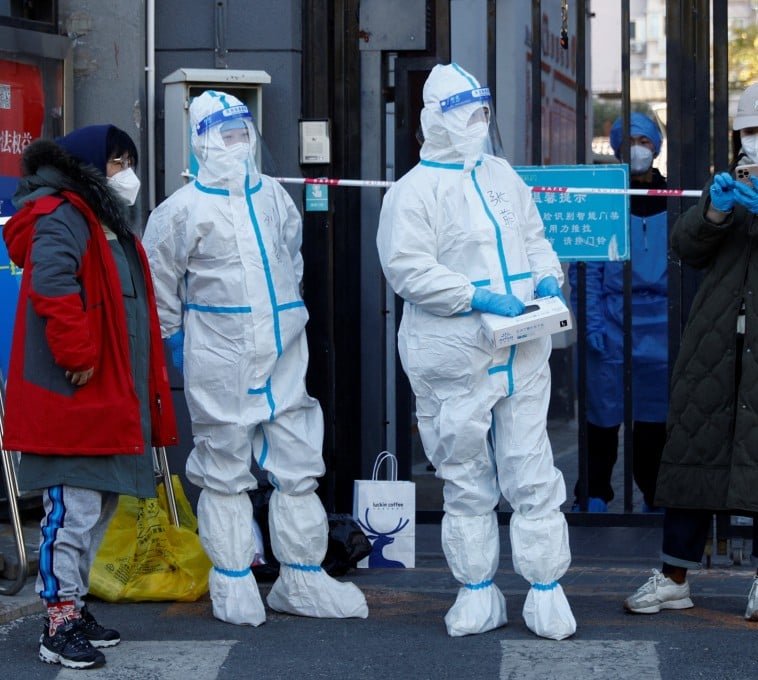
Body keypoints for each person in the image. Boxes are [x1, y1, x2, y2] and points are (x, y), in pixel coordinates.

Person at [142, 90, 368, 626]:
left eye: (245, 133)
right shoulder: (179, 212)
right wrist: (174, 339)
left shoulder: (271, 195)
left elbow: (290, 255)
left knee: (297, 463)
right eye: (228, 135)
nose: (239, 144)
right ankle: (234, 579)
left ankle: (303, 578)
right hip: (220, 354)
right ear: (201, 140)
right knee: (224, 468)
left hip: (285, 348)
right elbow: (160, 286)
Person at [624, 80, 758, 622]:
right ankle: (674, 576)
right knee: (695, 452)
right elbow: (685, 249)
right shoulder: (724, 181)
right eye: (748, 131)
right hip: (717, 340)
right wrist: (715, 212)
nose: (756, 139)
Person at [376, 63, 575, 640]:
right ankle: (476, 591)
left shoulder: (501, 176)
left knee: (532, 468)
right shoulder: (412, 193)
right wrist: (474, 296)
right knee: (465, 476)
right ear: (435, 120)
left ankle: (545, 590)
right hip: (454, 354)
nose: (477, 124)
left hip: (522, 348)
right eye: (466, 114)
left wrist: (545, 279)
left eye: (482, 113)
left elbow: (534, 237)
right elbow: (408, 269)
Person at [2, 124, 178, 669]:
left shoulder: (102, 222)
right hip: (74, 392)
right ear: (88, 166)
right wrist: (78, 356)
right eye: (117, 161)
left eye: (128, 160)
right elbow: (53, 287)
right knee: (71, 510)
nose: (126, 173)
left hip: (107, 394)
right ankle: (56, 622)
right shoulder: (63, 217)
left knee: (96, 504)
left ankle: (73, 609)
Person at [568, 111, 669, 513]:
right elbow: (588, 269)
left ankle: (656, 493)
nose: (638, 150)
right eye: (630, 143)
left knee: (654, 423)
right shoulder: (605, 197)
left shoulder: (674, 198)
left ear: (656, 148)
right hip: (611, 325)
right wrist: (590, 321)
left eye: (645, 142)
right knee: (601, 419)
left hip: (662, 329)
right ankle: (593, 493)